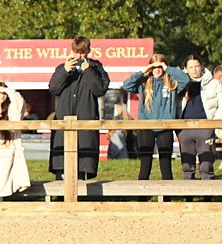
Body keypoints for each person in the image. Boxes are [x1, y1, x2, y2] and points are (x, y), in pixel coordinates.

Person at [47, 37, 109, 180]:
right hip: (63, 121)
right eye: (76, 53)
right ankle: (60, 197)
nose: (79, 57)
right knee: (61, 162)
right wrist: (65, 71)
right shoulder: (62, 68)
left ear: (88, 52)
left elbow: (100, 90)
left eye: (82, 53)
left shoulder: (96, 68)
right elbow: (53, 89)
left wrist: (88, 72)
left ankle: (80, 196)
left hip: (85, 122)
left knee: (83, 163)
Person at [121, 53, 189, 180]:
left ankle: (167, 198)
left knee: (165, 164)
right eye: (154, 67)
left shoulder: (172, 83)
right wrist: (144, 71)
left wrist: (167, 68)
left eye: (160, 67)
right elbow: (126, 85)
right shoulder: (144, 82)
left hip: (165, 127)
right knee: (145, 164)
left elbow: (185, 79)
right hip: (146, 127)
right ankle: (142, 198)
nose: (157, 70)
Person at [177, 56, 215, 179]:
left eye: (197, 66)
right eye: (191, 67)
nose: (194, 70)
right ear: (186, 69)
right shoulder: (180, 84)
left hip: (205, 126)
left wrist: (214, 124)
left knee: (206, 164)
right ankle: (188, 196)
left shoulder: (212, 84)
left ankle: (208, 195)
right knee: (187, 164)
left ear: (202, 67)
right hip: (185, 127)